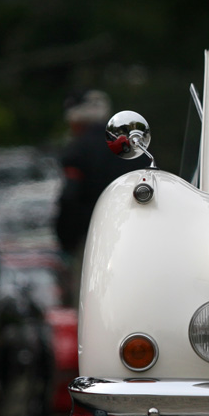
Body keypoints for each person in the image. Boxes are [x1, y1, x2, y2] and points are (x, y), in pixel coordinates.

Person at [55, 90, 145, 305]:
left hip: (93, 236)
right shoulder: (131, 145)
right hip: (136, 235)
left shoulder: (78, 150)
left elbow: (70, 199)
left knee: (91, 301)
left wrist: (66, 241)